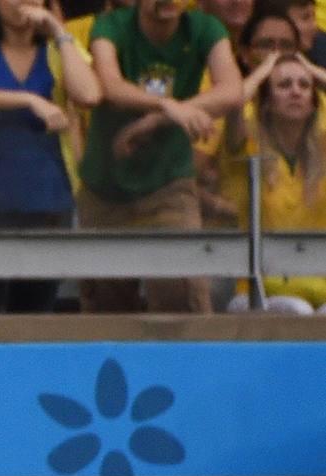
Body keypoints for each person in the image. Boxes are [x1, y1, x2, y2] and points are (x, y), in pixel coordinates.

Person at [77, 0, 242, 312]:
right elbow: (110, 85)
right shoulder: (111, 26)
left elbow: (232, 90)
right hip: (105, 188)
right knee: (106, 312)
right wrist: (167, 105)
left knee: (182, 300)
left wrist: (158, 119)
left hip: (169, 186)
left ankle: (188, 363)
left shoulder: (205, 28)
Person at [0, 0, 101, 311]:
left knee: (35, 321)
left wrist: (58, 31)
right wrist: (27, 99)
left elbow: (89, 94)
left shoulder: (58, 48)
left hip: (49, 204)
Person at [218, 54, 326, 310]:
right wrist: (264, 70)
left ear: (314, 101)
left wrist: (316, 71)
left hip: (320, 286)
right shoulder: (247, 146)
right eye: (284, 85)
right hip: (257, 291)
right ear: (265, 101)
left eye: (304, 85)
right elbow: (233, 102)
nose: (295, 92)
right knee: (295, 310)